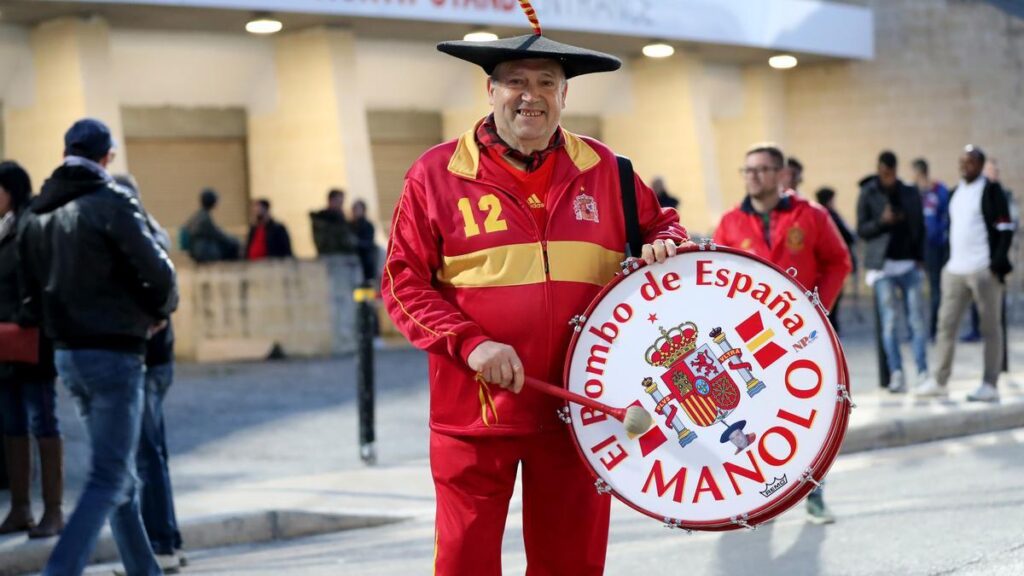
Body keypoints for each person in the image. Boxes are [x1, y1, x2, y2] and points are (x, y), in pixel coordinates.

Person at [381, 12, 688, 574]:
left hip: (583, 411)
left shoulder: (608, 169)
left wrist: (667, 242)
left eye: (547, 82)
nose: (531, 96)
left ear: (565, 95)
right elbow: (402, 283)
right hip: (476, 414)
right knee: (464, 563)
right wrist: (470, 343)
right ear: (490, 90)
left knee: (571, 564)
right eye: (516, 81)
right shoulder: (435, 173)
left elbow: (662, 224)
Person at [19, 118, 177, 576]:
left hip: (68, 356)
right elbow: (160, 274)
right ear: (106, 157)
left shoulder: (36, 214)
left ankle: (144, 571)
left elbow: (28, 297)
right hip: (115, 354)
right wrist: (157, 312)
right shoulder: (112, 203)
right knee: (109, 477)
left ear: (65, 152)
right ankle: (61, 569)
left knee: (117, 476)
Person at [714, 145, 851, 525]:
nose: (752, 176)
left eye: (761, 169)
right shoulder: (730, 223)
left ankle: (814, 495)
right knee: (758, 416)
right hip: (750, 342)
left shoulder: (811, 215)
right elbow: (716, 277)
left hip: (803, 337)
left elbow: (839, 262)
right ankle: (764, 498)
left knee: (812, 419)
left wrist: (817, 309)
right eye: (748, 170)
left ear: (780, 174)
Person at [113, 175, 184, 573]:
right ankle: (168, 539)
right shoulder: (151, 233)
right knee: (153, 452)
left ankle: (161, 542)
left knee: (146, 454)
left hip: (148, 359)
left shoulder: (140, 238)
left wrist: (147, 321)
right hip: (157, 358)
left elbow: (161, 295)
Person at [916, 146, 1014, 401]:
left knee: (990, 328)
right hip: (955, 270)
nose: (964, 166)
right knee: (945, 326)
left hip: (983, 269)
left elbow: (1005, 228)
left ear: (980, 164)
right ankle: (939, 380)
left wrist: (996, 263)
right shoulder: (955, 192)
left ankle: (990, 384)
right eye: (962, 161)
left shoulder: (991, 191)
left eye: (970, 162)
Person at [0, 160, 64, 539]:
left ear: (11, 190)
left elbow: (41, 281)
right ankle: (21, 507)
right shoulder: (5, 227)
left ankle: (53, 510)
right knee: (12, 424)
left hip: (32, 340)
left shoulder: (31, 224)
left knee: (43, 421)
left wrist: (26, 316)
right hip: (6, 342)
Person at [856, 150, 927, 394]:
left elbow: (919, 225)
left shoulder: (908, 191)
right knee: (889, 323)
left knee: (916, 320)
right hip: (882, 266)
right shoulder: (868, 192)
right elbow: (862, 230)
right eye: (883, 172)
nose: (887, 177)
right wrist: (882, 221)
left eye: (891, 173)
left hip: (907, 262)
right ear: (879, 170)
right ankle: (896, 372)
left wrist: (920, 258)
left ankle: (922, 372)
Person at [912, 158, 950, 341]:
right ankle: (917, 331)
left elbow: (947, 215)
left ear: (920, 172)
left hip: (935, 247)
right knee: (915, 291)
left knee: (936, 288)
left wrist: (939, 234)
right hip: (916, 248)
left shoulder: (938, 190)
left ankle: (935, 329)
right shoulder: (912, 193)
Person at [815, 186, 857, 336]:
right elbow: (850, 236)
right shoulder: (829, 216)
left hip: (820, 268)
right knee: (833, 301)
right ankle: (832, 331)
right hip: (829, 268)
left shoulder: (816, 215)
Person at [182, 188, 239, 263]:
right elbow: (217, 234)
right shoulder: (204, 218)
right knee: (233, 247)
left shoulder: (199, 215)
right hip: (203, 251)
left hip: (196, 249)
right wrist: (234, 241)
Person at [310, 188, 356, 256]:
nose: (341, 205)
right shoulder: (322, 219)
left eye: (342, 202)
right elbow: (325, 241)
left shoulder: (341, 218)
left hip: (343, 256)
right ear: (331, 200)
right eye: (339, 202)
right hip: (330, 256)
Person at [350, 199, 377, 285]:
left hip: (365, 261)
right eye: (354, 209)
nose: (355, 211)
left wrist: (356, 242)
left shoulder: (368, 225)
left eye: (358, 209)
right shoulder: (349, 225)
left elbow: (368, 243)